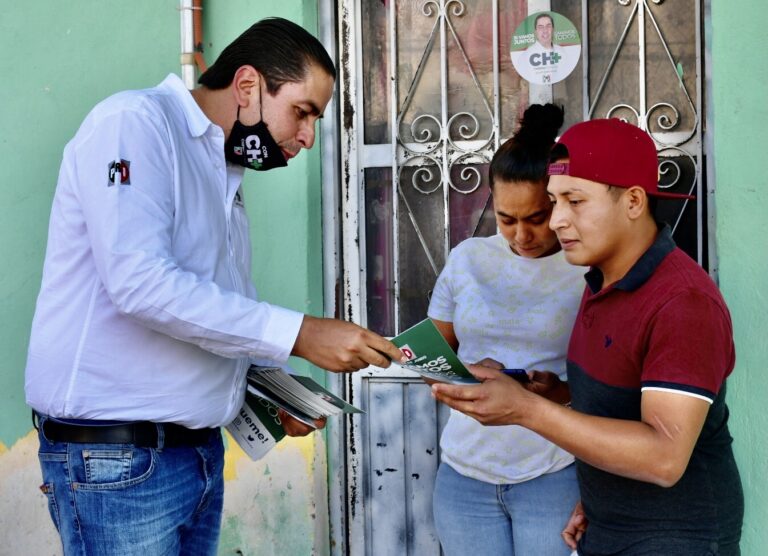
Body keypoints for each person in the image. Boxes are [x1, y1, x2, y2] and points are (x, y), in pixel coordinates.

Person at [25, 17, 405, 556]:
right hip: (120, 463)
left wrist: (271, 388)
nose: (306, 138)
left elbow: (208, 305)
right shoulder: (135, 123)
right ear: (248, 86)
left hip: (193, 455)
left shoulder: (221, 166)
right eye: (302, 113)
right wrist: (299, 332)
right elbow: (141, 284)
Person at [431, 118, 744, 555]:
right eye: (555, 202)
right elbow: (618, 410)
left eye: (573, 201)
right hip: (607, 523)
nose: (558, 221)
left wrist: (527, 409)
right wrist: (558, 396)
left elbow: (663, 458)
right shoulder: (601, 285)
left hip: (675, 537)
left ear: (634, 201)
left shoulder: (683, 301)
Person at [428, 104, 583, 556]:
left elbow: (615, 379)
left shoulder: (585, 267)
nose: (521, 236)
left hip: (552, 472)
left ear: (557, 201)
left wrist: (561, 391)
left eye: (535, 218)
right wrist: (462, 374)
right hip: (463, 477)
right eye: (506, 219)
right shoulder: (467, 259)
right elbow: (430, 358)